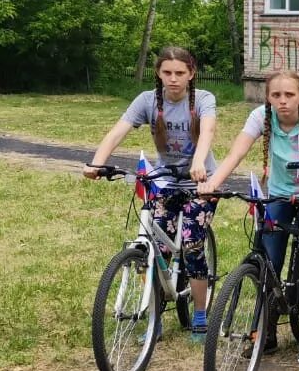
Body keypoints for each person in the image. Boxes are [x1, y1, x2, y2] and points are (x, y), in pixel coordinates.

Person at [84, 46, 218, 340]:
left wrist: (198, 163)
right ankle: (154, 316)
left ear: (191, 74)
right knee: (159, 248)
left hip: (200, 182)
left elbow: (207, 132)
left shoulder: (203, 100)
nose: (173, 79)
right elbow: (118, 131)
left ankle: (198, 314)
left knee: (192, 245)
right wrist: (97, 162)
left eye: (180, 73)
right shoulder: (147, 101)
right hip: (165, 179)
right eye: (167, 72)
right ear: (158, 73)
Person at [198, 71, 299, 350]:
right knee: (269, 260)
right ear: (268, 97)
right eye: (276, 95)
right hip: (278, 196)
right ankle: (265, 333)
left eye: (289, 95)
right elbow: (237, 153)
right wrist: (212, 183)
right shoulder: (260, 116)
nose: (282, 101)